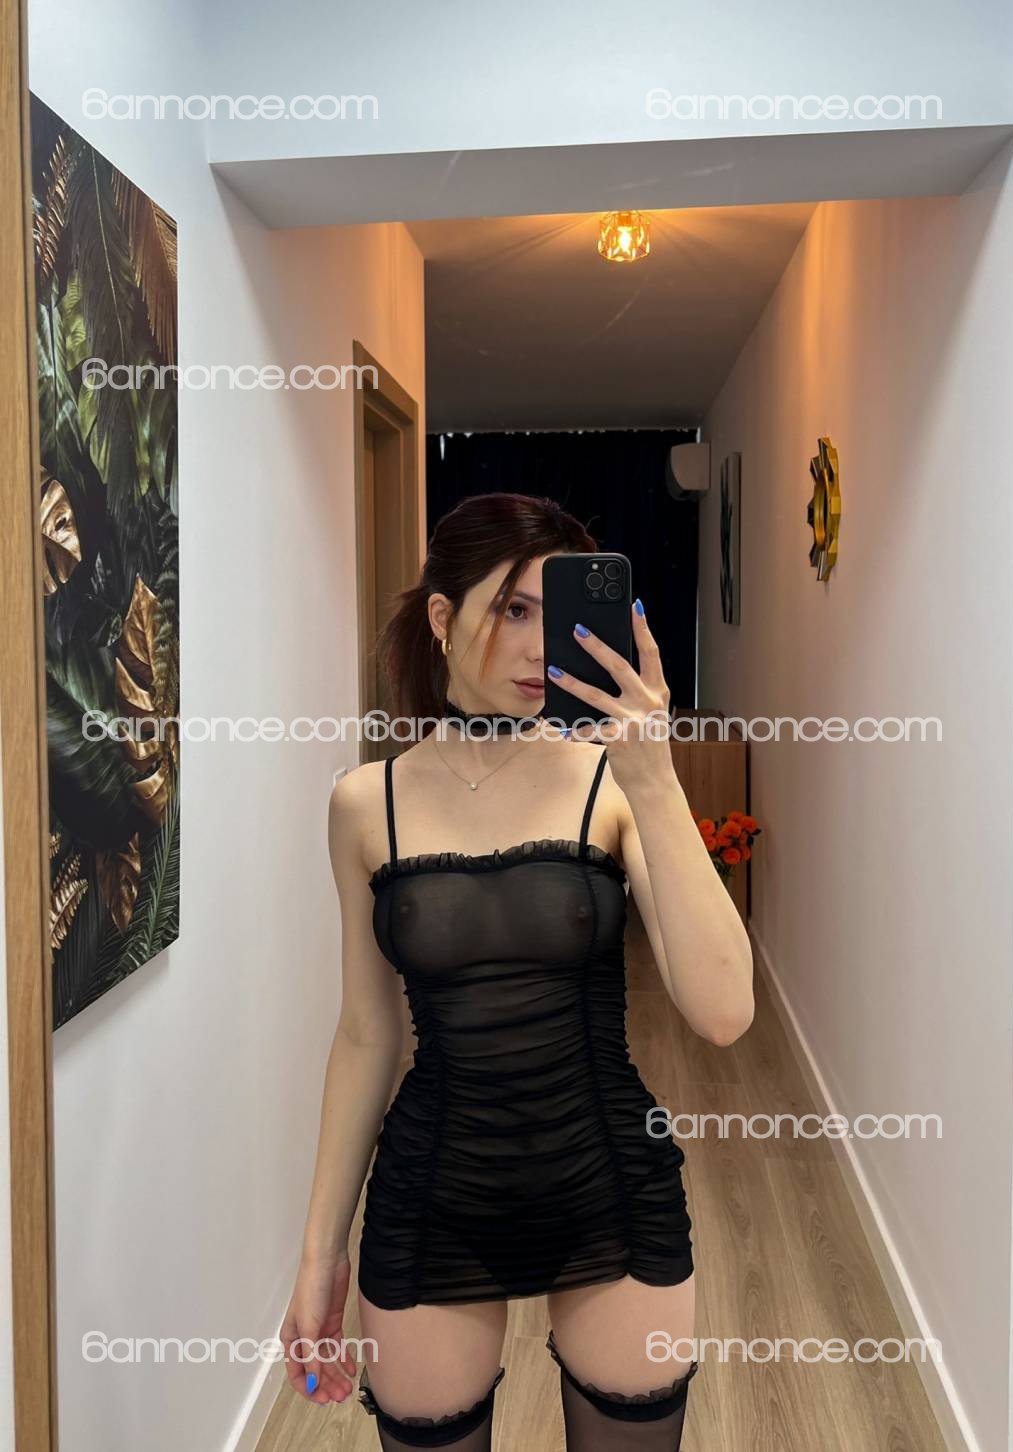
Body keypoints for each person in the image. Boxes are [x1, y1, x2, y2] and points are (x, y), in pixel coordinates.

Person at [279, 492, 755, 1450]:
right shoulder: (364, 804)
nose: (542, 647)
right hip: (433, 1191)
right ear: (442, 616)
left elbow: (724, 1012)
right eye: (514, 609)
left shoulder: (613, 782)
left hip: (609, 1179)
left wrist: (655, 776)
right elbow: (367, 1034)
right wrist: (319, 1251)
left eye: (560, 613)